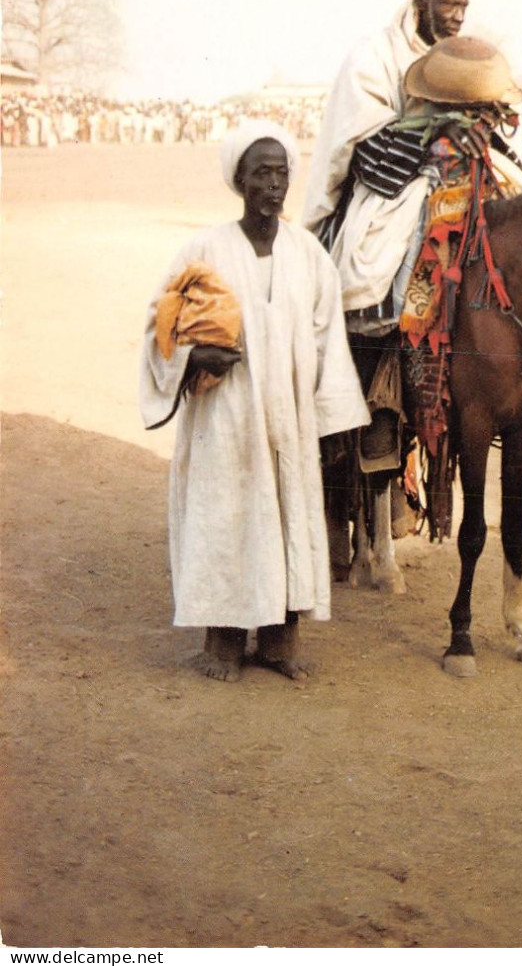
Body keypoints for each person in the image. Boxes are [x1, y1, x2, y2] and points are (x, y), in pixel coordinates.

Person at [140, 120, 370, 683]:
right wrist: (193, 360)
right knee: (228, 516)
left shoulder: (308, 253)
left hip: (286, 418)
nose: (274, 184)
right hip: (224, 418)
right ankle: (220, 645)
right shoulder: (205, 249)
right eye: (261, 173)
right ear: (239, 180)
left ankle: (278, 643)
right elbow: (160, 325)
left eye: (282, 172)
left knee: (288, 511)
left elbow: (326, 337)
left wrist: (332, 417)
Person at [303, 0, 485, 332]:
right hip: (387, 190)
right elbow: (368, 152)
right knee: (375, 274)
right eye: (450, 4)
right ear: (421, 2)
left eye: (464, 5)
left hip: (459, 179)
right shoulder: (371, 57)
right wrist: (435, 130)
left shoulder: (466, 55)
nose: (459, 16)